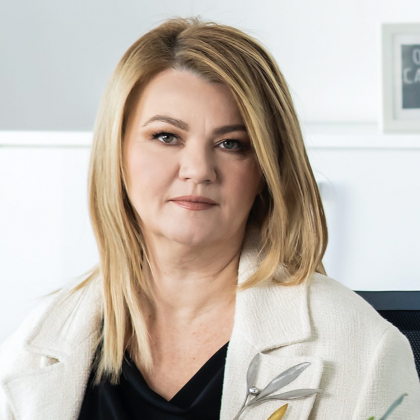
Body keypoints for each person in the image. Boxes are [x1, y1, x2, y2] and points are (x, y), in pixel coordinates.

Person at [0, 16, 419, 420]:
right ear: (117, 154)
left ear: (265, 170)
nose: (198, 170)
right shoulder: (36, 345)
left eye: (231, 143)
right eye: (166, 136)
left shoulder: (364, 349)